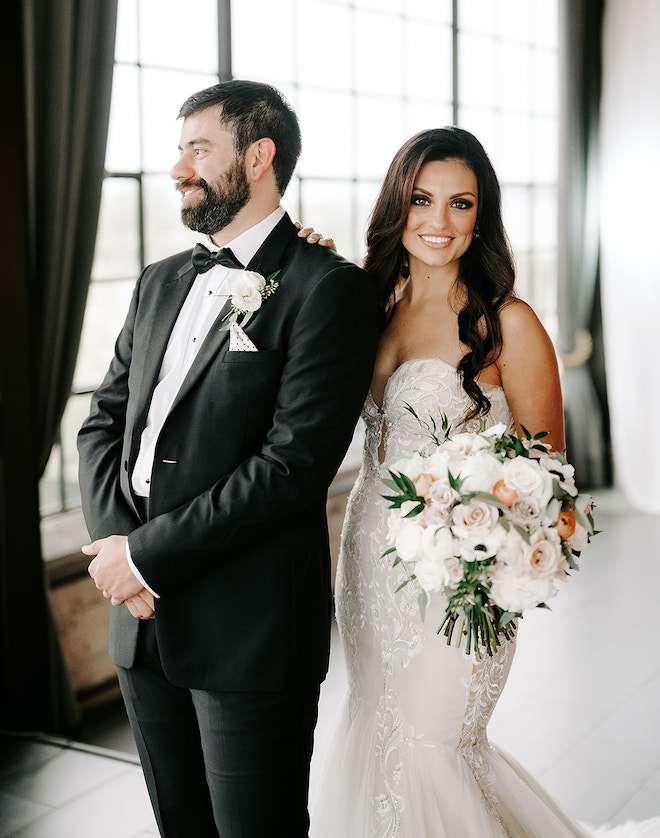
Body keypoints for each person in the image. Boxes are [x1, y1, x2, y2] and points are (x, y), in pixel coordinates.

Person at [77, 79, 379, 837]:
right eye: (179, 150)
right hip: (140, 623)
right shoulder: (157, 282)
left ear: (258, 156)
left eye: (198, 149)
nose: (178, 168)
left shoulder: (327, 289)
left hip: (248, 631)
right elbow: (102, 427)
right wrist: (120, 555)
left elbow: (292, 466)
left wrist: (145, 557)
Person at [308, 126, 589, 837]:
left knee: (434, 747)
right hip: (368, 564)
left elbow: (548, 480)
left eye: (460, 204)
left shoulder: (509, 325)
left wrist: (483, 548)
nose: (437, 222)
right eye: (421, 200)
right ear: (395, 208)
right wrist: (306, 263)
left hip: (461, 581)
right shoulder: (366, 309)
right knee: (380, 729)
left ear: (481, 216)